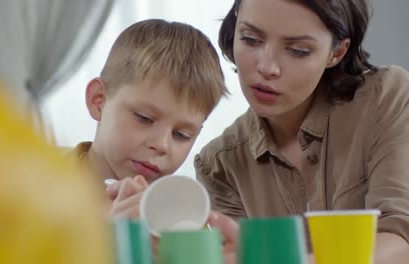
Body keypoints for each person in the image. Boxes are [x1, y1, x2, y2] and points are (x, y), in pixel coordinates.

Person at [195, 0, 409, 263]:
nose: (267, 67)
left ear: (337, 52)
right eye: (250, 39)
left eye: (297, 50)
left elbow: (402, 238)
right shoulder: (219, 165)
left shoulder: (386, 98)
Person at [70, 19, 228, 218]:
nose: (162, 145)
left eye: (181, 135)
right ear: (98, 100)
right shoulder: (36, 190)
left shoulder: (184, 218)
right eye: (144, 118)